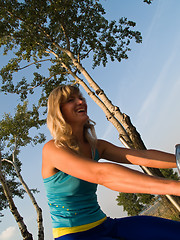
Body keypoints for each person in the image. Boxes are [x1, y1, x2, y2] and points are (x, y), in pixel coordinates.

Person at [42, 84, 180, 240]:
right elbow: (102, 175)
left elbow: (141, 156)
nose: (81, 102)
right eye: (71, 100)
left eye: (81, 98)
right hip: (74, 236)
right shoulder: (52, 149)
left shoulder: (97, 146)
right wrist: (175, 187)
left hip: (106, 225)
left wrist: (178, 158)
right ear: (59, 111)